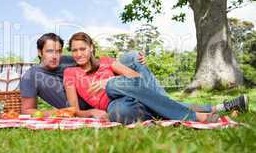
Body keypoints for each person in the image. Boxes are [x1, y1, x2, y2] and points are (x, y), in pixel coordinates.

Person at [64, 32, 249, 124]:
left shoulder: (107, 62)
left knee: (112, 86)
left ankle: (197, 116)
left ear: (91, 48)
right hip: (120, 104)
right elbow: (74, 110)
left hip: (129, 91)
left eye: (83, 48)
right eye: (74, 50)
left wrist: (108, 82)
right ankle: (220, 107)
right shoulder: (70, 73)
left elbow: (136, 79)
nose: (79, 53)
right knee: (123, 112)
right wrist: (90, 113)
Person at [19, 33, 147, 117]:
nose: (54, 56)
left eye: (58, 51)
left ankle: (152, 92)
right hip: (83, 107)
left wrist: (136, 62)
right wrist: (58, 112)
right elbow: (26, 111)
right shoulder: (30, 76)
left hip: (103, 91)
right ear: (40, 52)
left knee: (133, 57)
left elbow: (99, 63)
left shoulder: (69, 59)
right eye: (49, 51)